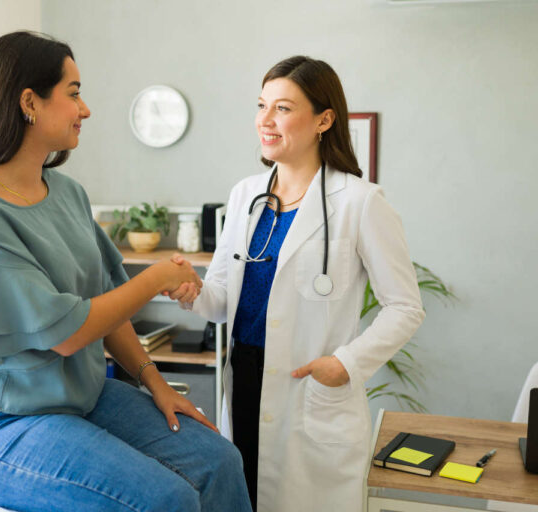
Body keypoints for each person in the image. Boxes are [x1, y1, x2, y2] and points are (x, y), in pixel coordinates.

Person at [0, 31, 252, 512]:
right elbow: (68, 333)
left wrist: (157, 384)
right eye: (74, 94)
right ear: (29, 102)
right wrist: (157, 277)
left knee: (220, 460)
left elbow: (107, 304)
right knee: (166, 500)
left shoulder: (68, 194)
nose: (86, 109)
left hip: (81, 396)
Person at [166, 56, 425, 512]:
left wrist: (345, 363)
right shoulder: (246, 195)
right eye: (262, 105)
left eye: (282, 108)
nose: (265, 121)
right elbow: (223, 300)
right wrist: (192, 291)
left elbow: (405, 307)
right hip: (244, 380)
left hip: (309, 385)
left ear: (324, 119)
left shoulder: (361, 202)